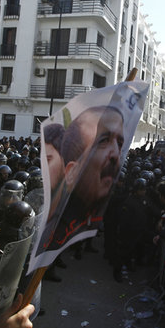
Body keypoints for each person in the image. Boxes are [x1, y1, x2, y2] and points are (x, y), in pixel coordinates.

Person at [39, 106, 124, 252]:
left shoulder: (90, 214)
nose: (116, 153)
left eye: (120, 143)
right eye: (103, 141)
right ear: (71, 172)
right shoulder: (51, 227)